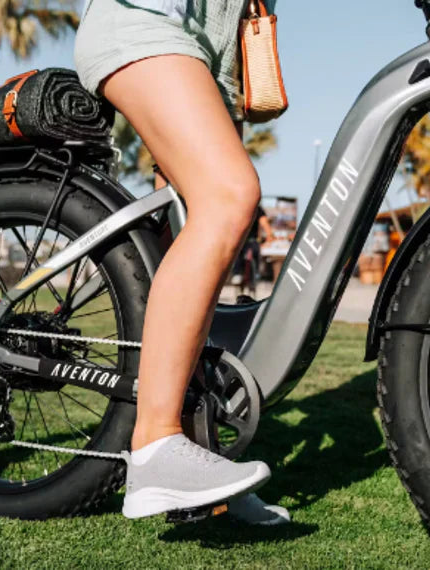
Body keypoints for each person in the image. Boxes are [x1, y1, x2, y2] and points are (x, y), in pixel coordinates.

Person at [74, 0, 288, 520]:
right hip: (149, 19)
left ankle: (198, 459)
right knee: (228, 196)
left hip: (218, 50)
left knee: (197, 241)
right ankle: (155, 443)